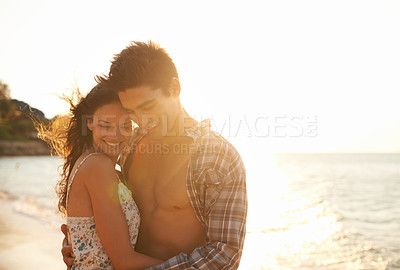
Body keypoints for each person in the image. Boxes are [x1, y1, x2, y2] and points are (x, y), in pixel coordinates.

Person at [62, 41, 248, 269]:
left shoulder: (217, 157)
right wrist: (81, 246)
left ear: (174, 88)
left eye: (149, 106)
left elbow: (224, 255)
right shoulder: (131, 144)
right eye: (131, 111)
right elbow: (100, 203)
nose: (142, 120)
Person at [39, 85, 162, 269]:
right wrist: (192, 265)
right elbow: (123, 261)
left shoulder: (104, 167)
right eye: (106, 125)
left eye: (125, 125)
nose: (116, 135)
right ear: (89, 122)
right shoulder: (97, 165)